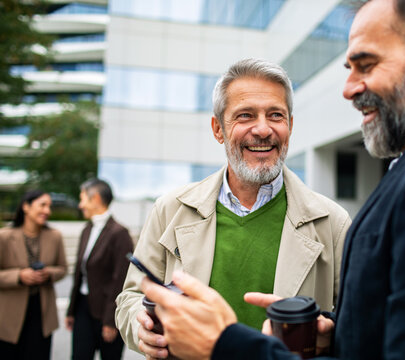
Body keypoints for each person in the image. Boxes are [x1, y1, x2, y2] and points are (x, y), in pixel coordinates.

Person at [138, 0, 405, 359]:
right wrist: (335, 334)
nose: (348, 89)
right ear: (218, 129)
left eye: (366, 64)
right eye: (349, 69)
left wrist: (224, 345)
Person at [115, 58, 351, 358]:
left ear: (290, 126)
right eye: (245, 116)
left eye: (276, 115)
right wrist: (141, 328)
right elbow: (131, 297)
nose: (263, 129)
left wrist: (331, 335)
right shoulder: (170, 209)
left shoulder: (333, 223)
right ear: (218, 129)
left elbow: (359, 323)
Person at [65, 178, 133, 360]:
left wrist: (110, 321)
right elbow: (80, 272)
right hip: (83, 308)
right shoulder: (87, 229)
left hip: (107, 312)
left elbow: (121, 280)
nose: (80, 205)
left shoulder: (120, 233)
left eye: (82, 199)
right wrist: (71, 310)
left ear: (95, 198)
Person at [0, 190, 68, 360]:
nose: (47, 211)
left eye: (49, 206)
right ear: (26, 206)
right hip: (9, 315)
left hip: (42, 313)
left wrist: (48, 273)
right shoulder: (4, 237)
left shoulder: (54, 236)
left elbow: (63, 268)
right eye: (42, 205)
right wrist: (19, 276)